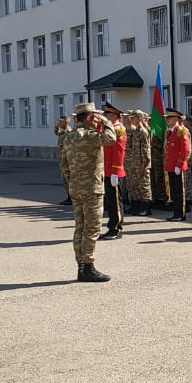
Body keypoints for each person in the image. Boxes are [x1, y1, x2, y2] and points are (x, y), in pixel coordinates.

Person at [59, 103, 118, 282]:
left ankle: (81, 266)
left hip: (76, 188)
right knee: (92, 228)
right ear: (91, 118)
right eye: (95, 116)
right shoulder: (92, 136)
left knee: (80, 227)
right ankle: (88, 267)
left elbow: (64, 164)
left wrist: (71, 182)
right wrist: (106, 121)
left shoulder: (68, 137)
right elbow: (111, 138)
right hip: (92, 188)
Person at [97, 103, 127, 240]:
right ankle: (112, 226)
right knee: (110, 201)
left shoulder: (119, 130)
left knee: (115, 201)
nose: (105, 117)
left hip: (114, 170)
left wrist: (115, 170)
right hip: (108, 170)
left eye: (108, 115)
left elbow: (119, 151)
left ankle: (117, 228)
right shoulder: (110, 129)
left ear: (114, 116)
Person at [163, 108, 192, 222]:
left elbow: (185, 149)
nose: (167, 120)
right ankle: (175, 213)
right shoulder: (169, 132)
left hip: (178, 167)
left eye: (169, 118)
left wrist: (179, 165)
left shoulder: (182, 131)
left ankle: (181, 214)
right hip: (171, 166)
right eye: (167, 118)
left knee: (180, 191)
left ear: (176, 119)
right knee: (174, 191)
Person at [124, 110, 153, 216]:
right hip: (134, 163)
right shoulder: (135, 131)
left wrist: (145, 165)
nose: (131, 120)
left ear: (140, 118)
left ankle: (146, 208)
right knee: (135, 185)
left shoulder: (143, 132)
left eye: (134, 118)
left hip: (141, 163)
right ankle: (137, 205)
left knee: (144, 185)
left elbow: (146, 150)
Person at [55, 116, 72, 206]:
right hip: (62, 160)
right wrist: (56, 127)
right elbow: (56, 133)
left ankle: (71, 197)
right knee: (65, 180)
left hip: (67, 160)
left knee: (69, 179)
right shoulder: (62, 132)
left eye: (60, 122)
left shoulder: (69, 132)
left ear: (65, 123)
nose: (59, 123)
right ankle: (69, 196)